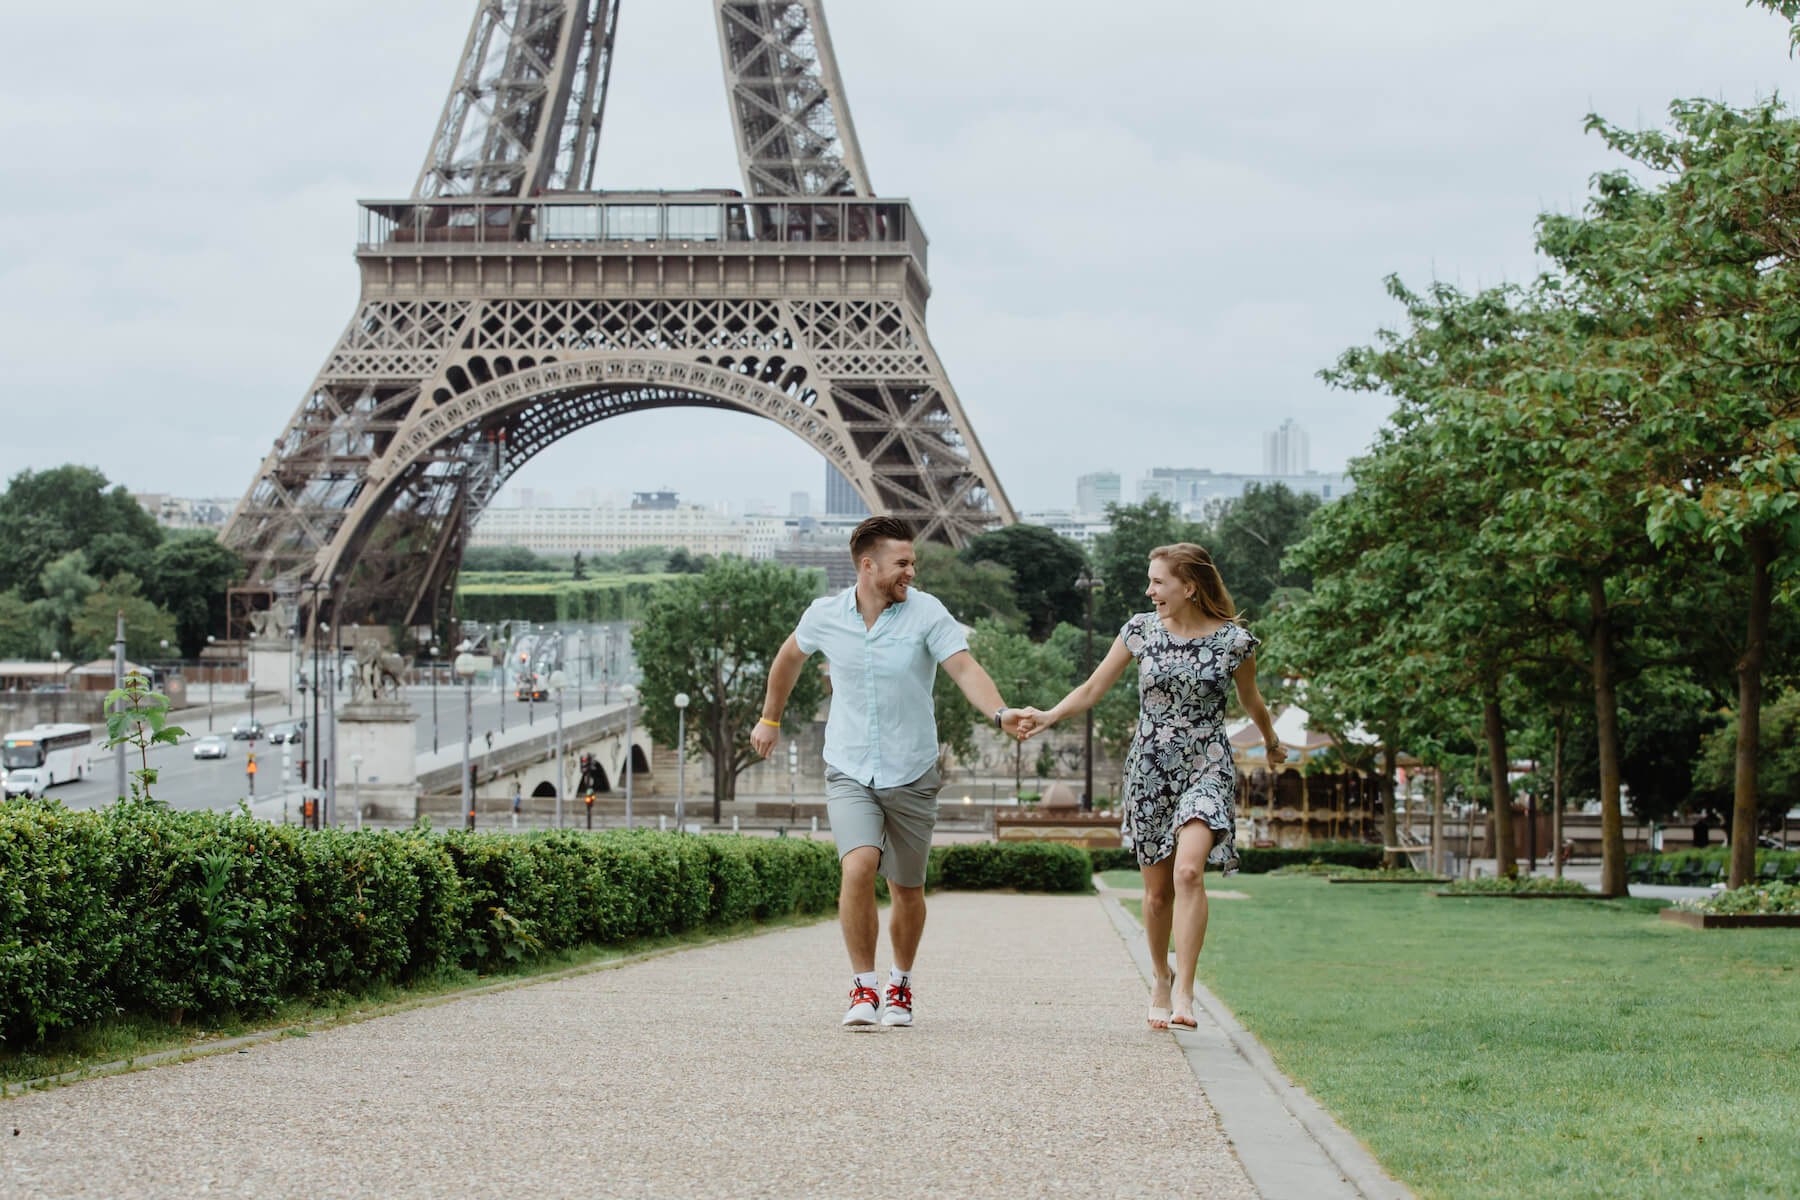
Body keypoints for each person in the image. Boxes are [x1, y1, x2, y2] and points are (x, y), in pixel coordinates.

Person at [752, 515, 1027, 1029]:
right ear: (868, 565)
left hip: (912, 768)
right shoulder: (825, 614)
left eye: (913, 563)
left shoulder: (927, 613)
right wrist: (770, 717)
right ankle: (864, 986)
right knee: (857, 867)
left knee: (906, 888)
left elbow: (964, 667)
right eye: (902, 563)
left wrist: (999, 713)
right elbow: (788, 657)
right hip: (850, 766)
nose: (911, 572)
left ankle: (900, 982)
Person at [1018, 543, 1284, 1031]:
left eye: (1158, 581)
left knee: (1188, 873)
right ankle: (1161, 977)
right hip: (1149, 770)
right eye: (1150, 581)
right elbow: (1093, 688)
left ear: (1190, 586)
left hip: (1207, 764)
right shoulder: (1139, 631)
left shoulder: (1234, 642)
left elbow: (1252, 700)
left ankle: (1185, 991)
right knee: (1157, 894)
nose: (1149, 590)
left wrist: (1270, 741)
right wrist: (1050, 715)